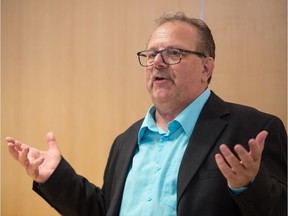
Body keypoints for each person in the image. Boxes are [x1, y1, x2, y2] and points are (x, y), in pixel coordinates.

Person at [6, 11, 287, 216]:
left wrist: (248, 185)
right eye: (151, 55)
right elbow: (105, 211)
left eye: (173, 53)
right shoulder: (126, 140)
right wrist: (55, 177)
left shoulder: (252, 130)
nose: (157, 63)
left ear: (206, 68)